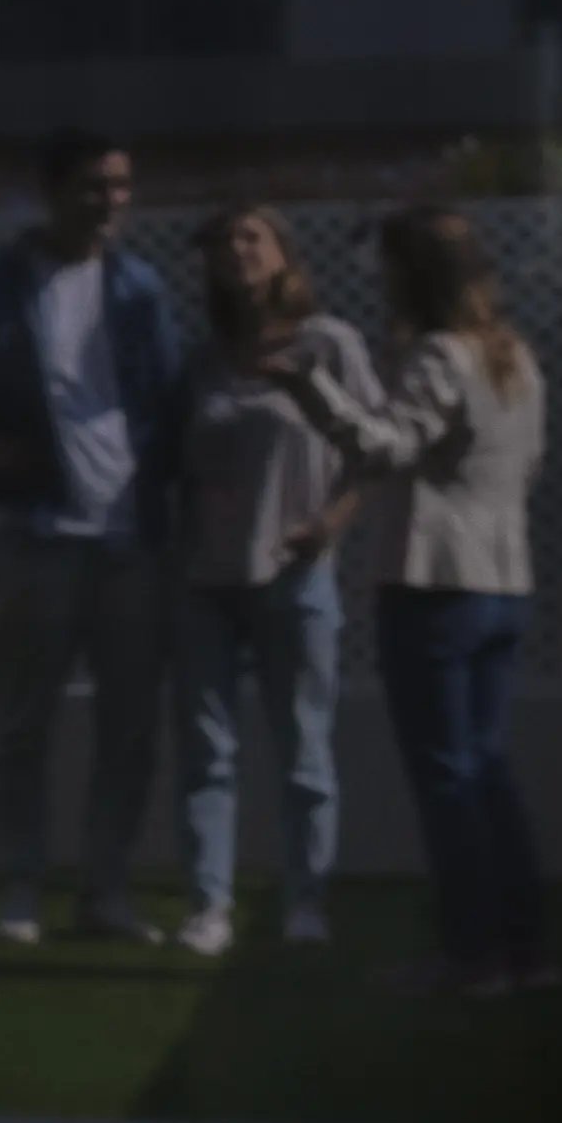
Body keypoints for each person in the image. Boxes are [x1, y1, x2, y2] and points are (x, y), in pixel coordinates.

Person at [0, 132, 186, 945]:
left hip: (132, 540)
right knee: (25, 723)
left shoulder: (138, 288)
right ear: (55, 193)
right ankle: (19, 890)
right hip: (36, 533)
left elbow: (168, 401)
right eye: (95, 186)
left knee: (128, 727)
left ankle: (106, 894)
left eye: (122, 186)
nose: (111, 200)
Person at [164, 207, 405, 959]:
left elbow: (378, 452)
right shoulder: (204, 358)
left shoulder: (330, 344)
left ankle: (306, 902)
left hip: (296, 577)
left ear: (282, 255)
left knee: (303, 750)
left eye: (250, 238)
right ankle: (210, 908)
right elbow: (178, 464)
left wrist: (331, 525)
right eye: (222, 243)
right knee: (207, 755)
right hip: (205, 580)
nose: (235, 252)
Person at [367, 204, 556, 992]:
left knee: (447, 777)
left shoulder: (439, 357)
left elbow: (389, 446)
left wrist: (314, 390)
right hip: (502, 583)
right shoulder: (515, 357)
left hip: (435, 587)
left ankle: (471, 955)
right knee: (486, 769)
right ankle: (524, 950)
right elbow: (531, 466)